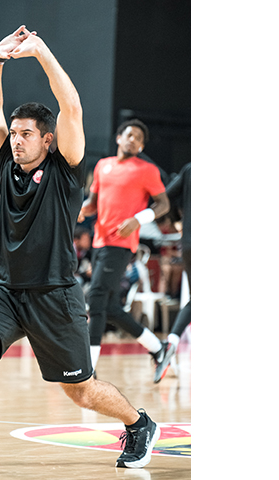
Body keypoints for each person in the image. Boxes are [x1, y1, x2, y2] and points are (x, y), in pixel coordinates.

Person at [0, 26, 160, 474]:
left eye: (26, 134)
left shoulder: (67, 171)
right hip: (7, 292)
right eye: (13, 133)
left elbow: (71, 107)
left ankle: (139, 424)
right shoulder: (5, 162)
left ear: (47, 140)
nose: (16, 140)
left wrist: (40, 52)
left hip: (55, 295)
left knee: (81, 391)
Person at [78, 119, 174, 383]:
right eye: (129, 135)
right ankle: (158, 347)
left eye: (138, 138)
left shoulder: (146, 170)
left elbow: (163, 204)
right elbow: (93, 202)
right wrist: (83, 209)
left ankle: (88, 369)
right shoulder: (102, 165)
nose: (133, 140)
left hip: (121, 243)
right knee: (109, 308)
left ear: (141, 146)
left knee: (96, 298)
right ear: (119, 138)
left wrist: (138, 220)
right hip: (99, 242)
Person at [164, 162, 191, 346]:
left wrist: (177, 221)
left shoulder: (189, 169)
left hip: (189, 242)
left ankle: (171, 343)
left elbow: (166, 196)